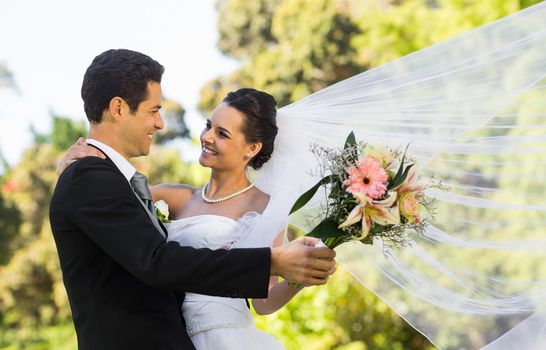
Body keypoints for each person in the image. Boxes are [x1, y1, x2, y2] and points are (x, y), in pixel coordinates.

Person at [49, 49, 336, 350]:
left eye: (223, 133)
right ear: (119, 108)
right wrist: (272, 262)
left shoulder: (111, 181)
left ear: (252, 148)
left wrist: (299, 274)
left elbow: (261, 300)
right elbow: (157, 262)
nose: (160, 124)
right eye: (153, 110)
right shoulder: (101, 180)